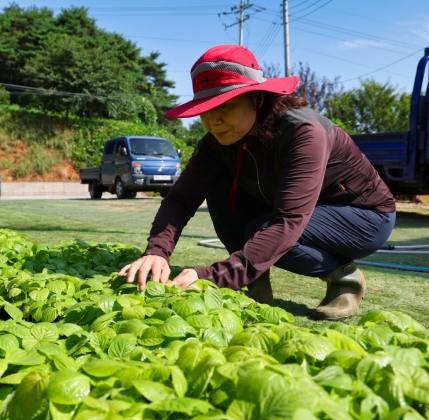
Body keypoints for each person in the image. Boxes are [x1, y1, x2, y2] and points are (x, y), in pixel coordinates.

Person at [118, 44, 396, 320]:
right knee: (218, 185)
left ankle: (345, 278)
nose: (214, 120)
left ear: (258, 99)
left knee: (262, 230)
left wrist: (213, 277)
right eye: (205, 109)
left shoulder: (303, 132)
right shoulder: (218, 141)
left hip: (364, 218)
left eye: (226, 105)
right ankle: (255, 280)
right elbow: (181, 198)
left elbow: (287, 221)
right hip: (294, 213)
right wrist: (157, 252)